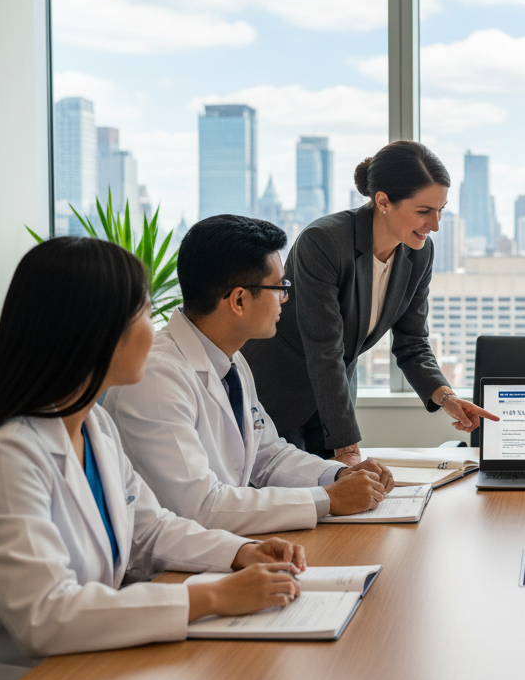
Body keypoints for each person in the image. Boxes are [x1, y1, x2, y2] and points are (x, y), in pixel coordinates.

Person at [0, 238, 308, 680]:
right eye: (145, 314)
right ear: (95, 331)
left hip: (70, 671)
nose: (155, 330)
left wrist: (239, 553)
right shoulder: (3, 454)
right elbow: (47, 614)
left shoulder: (92, 423)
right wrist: (212, 598)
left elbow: (148, 529)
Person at [104, 215, 393, 535]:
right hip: (170, 570)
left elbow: (267, 457)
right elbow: (199, 507)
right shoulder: (157, 379)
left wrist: (339, 475)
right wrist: (326, 499)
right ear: (239, 300)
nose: (286, 297)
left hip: (219, 552)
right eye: (280, 287)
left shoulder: (232, 362)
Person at [243, 140, 497, 462]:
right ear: (383, 201)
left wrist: (447, 397)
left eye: (440, 211)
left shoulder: (418, 253)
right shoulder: (323, 242)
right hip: (277, 393)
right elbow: (324, 350)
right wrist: (348, 450)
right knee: (291, 501)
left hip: (334, 402)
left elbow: (412, 343)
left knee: (343, 504)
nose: (434, 225)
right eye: (424, 212)